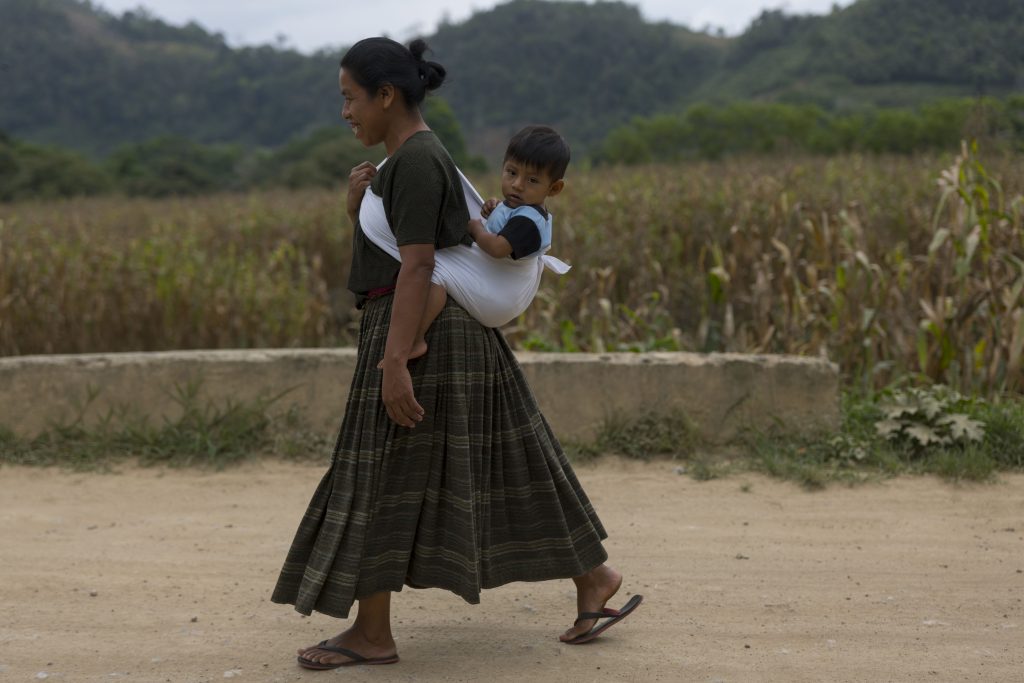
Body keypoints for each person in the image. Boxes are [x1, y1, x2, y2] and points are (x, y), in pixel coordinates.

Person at [270, 36, 642, 671]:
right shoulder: (412, 160)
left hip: (422, 338)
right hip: (449, 337)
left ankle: (372, 634)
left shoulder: (415, 162)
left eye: (350, 99)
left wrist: (394, 362)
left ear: (386, 96)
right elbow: (402, 252)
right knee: (513, 462)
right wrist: (357, 205)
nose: (345, 112)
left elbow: (417, 268)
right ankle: (593, 577)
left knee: (377, 476)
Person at [361, 125, 573, 366]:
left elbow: (497, 248)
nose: (517, 185)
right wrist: (494, 208)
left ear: (554, 189)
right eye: (511, 173)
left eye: (532, 180)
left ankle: (416, 339)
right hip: (495, 287)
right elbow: (504, 223)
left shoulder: (529, 221)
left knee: (437, 276)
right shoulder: (520, 208)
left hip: (501, 294)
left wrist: (476, 228)